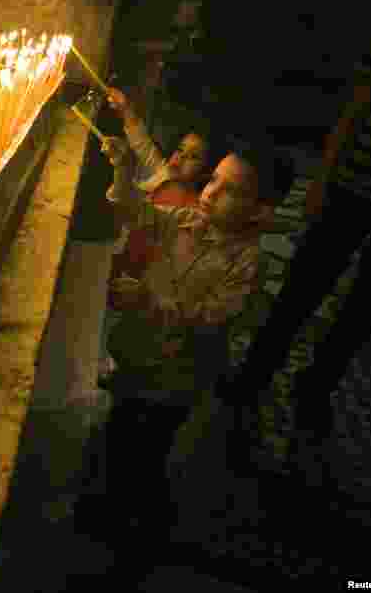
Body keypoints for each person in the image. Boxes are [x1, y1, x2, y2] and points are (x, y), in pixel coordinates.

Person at [74, 129, 295, 578]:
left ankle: (142, 539)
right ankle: (103, 515)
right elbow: (135, 209)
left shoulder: (248, 263)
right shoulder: (186, 220)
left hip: (175, 381)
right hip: (139, 358)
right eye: (213, 179)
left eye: (230, 190)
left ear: (261, 211)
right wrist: (121, 167)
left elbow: (216, 314)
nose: (211, 192)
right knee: (119, 436)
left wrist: (151, 304)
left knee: (145, 451)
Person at [216, 38, 371, 469]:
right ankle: (254, 377)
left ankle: (315, 387)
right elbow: (357, 108)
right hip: (354, 184)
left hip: (359, 187)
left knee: (366, 306)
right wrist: (324, 179)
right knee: (304, 286)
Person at [98, 89, 226, 384]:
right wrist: (126, 110)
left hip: (150, 270)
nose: (179, 159)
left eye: (193, 158)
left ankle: (117, 366)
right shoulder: (162, 175)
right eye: (180, 149)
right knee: (112, 296)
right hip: (128, 251)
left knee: (129, 313)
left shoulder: (195, 213)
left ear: (207, 172)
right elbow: (142, 145)